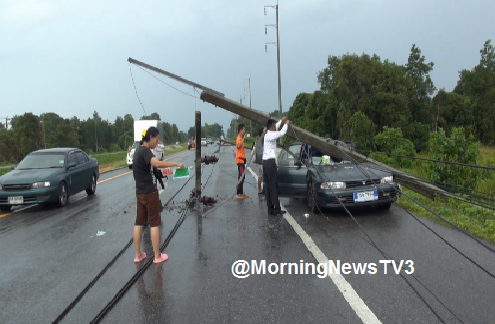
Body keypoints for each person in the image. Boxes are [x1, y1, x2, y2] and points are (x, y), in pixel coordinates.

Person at [132, 126, 185, 264]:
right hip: (149, 192)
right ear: (150, 137)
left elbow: (147, 170)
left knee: (139, 222)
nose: (157, 142)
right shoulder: (146, 151)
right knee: (154, 223)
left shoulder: (137, 151)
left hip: (139, 192)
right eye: (156, 139)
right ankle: (157, 256)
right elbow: (156, 163)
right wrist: (175, 163)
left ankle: (138, 255)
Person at [262, 117, 289, 215]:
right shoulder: (271, 135)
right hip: (270, 163)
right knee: (273, 186)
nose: (275, 127)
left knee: (268, 187)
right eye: (274, 125)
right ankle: (277, 209)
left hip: (265, 163)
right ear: (271, 127)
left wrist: (281, 121)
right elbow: (281, 133)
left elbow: (276, 127)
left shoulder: (267, 134)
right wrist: (286, 124)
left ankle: (270, 209)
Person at [251, 128, 266, 195]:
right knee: (262, 175)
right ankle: (262, 189)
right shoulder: (264, 141)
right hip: (262, 160)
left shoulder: (256, 141)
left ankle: (259, 190)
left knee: (260, 175)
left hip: (258, 160)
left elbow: (253, 148)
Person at [236, 123, 249, 199]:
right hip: (240, 161)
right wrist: (243, 139)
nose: (244, 131)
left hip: (242, 161)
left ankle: (241, 192)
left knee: (242, 177)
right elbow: (238, 146)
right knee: (241, 177)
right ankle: (238, 192)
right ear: (240, 130)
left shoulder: (240, 138)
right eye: (243, 129)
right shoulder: (239, 138)